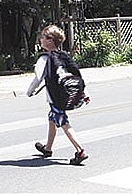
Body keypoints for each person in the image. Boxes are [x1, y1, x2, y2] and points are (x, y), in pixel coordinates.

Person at [26, 25, 90, 165]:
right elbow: (76, 74)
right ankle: (48, 149)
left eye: (43, 36)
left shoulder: (44, 58)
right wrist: (84, 92)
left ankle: (80, 151)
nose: (40, 39)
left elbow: (38, 78)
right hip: (69, 93)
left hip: (56, 96)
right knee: (52, 117)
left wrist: (29, 91)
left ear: (50, 40)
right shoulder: (65, 56)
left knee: (62, 121)